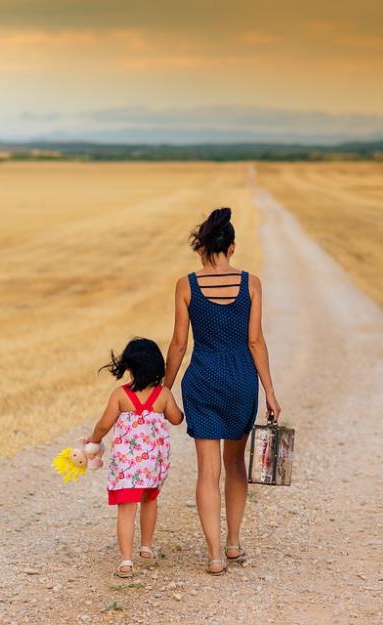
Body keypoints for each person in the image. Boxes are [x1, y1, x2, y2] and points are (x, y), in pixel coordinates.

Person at [164, 207, 281, 575]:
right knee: (234, 465)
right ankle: (232, 544)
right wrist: (270, 392)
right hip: (240, 381)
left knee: (206, 472)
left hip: (202, 379)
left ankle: (213, 556)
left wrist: (164, 391)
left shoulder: (187, 285)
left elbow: (179, 345)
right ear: (231, 247)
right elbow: (255, 341)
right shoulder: (251, 283)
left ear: (202, 248)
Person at [87, 337, 184, 578]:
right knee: (150, 501)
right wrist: (180, 410)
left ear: (129, 367)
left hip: (127, 466)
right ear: (158, 366)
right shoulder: (163, 395)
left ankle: (126, 561)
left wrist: (94, 440)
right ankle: (146, 547)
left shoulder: (120, 395)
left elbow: (104, 424)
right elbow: (176, 419)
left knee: (126, 510)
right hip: (152, 465)